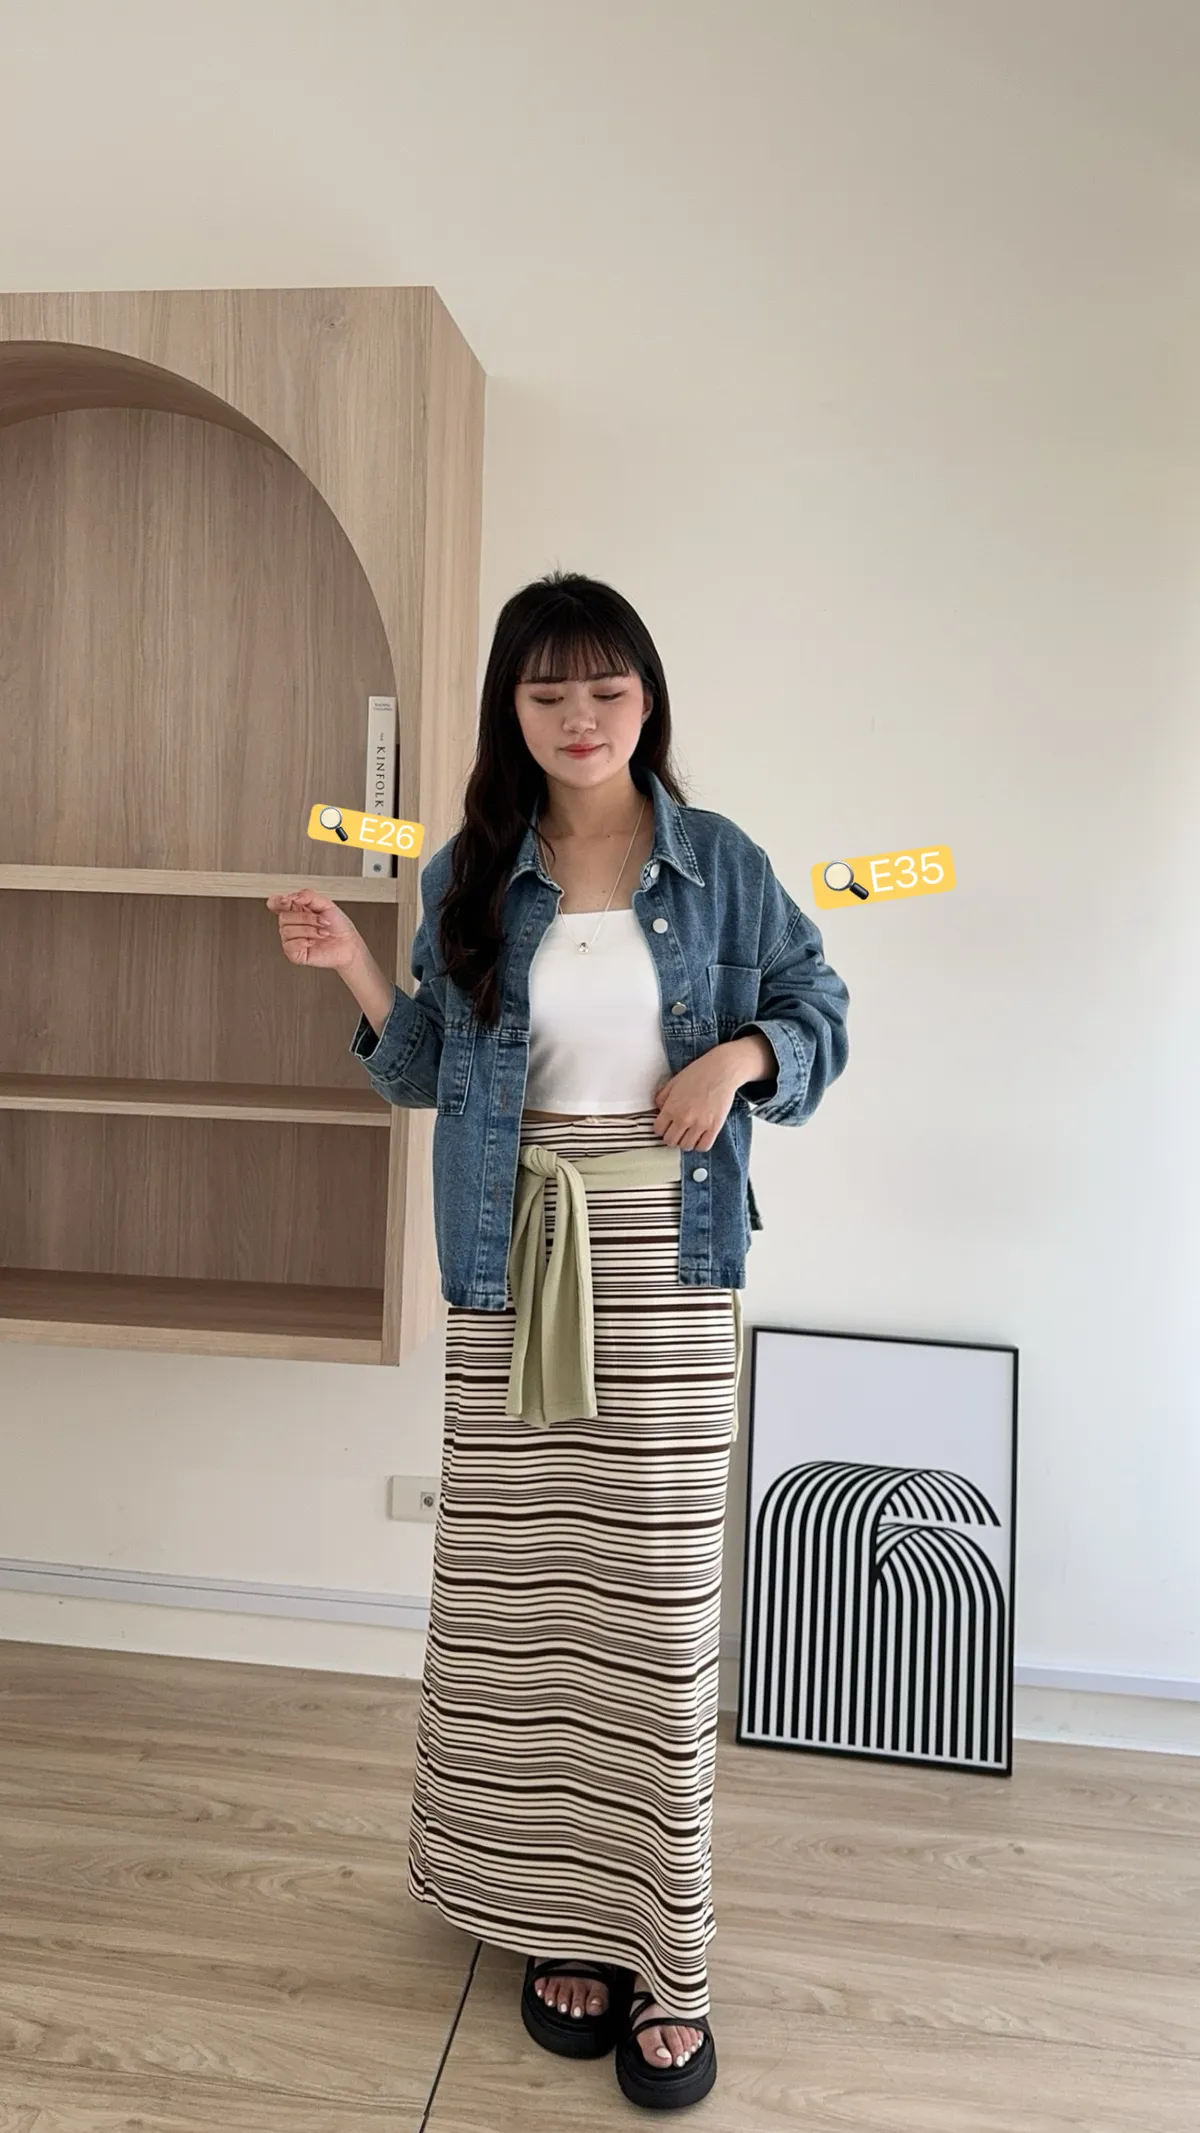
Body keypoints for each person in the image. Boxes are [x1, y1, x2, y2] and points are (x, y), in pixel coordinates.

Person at [269, 571, 849, 2111]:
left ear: (646, 698)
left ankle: (666, 1950)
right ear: (511, 711)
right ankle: (553, 1920)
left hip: (670, 1258)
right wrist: (350, 964)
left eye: (606, 688)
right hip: (512, 1256)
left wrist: (738, 1057)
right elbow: (425, 1069)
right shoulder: (472, 869)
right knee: (521, 1604)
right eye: (548, 693)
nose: (581, 717)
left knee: (653, 1598)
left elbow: (821, 1013)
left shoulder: (720, 864)